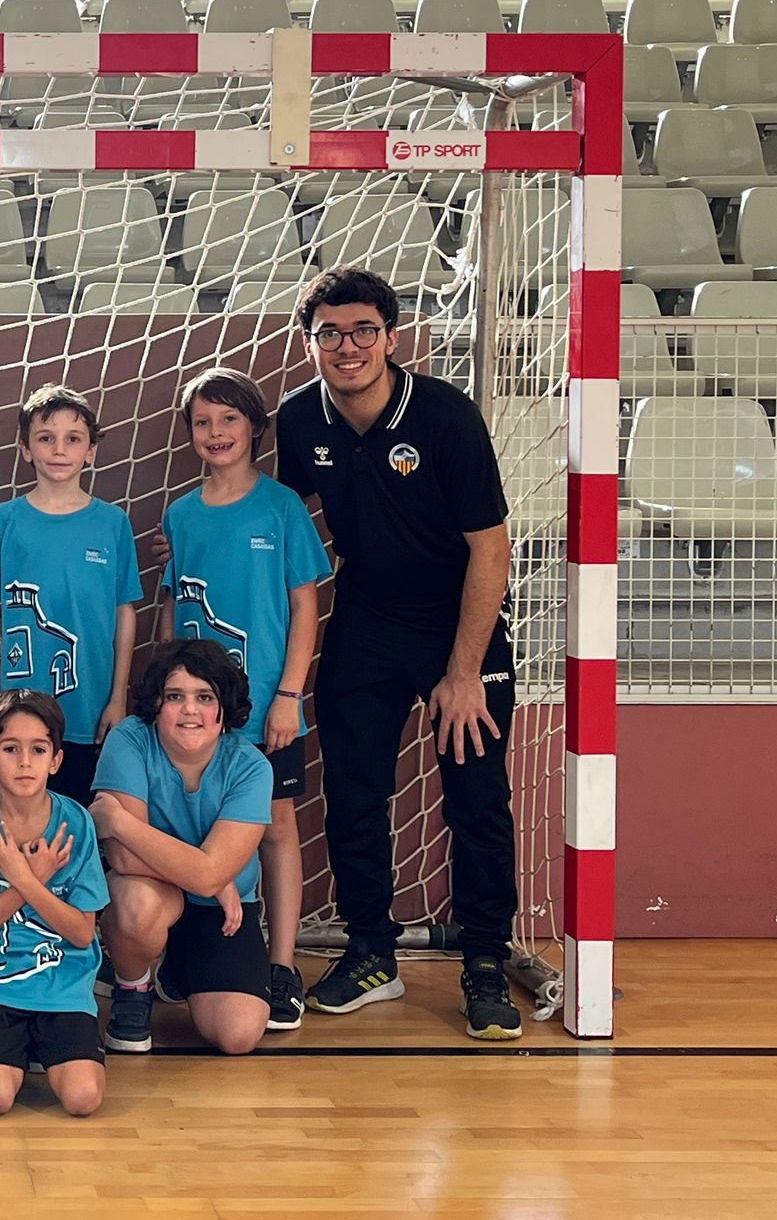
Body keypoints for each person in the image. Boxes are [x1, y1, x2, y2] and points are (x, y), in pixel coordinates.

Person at [274, 266, 523, 1040]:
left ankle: (484, 962)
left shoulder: (444, 416)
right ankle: (371, 953)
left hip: (458, 624)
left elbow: (492, 550)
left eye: (363, 331)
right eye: (329, 333)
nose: (346, 347)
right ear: (308, 339)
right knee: (352, 795)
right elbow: (277, 523)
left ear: (391, 335)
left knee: (476, 801)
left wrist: (462, 673)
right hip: (367, 619)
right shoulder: (298, 420)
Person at [154, 367, 330, 1031]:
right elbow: (174, 608)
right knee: (189, 828)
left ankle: (280, 966)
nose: (216, 432)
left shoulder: (282, 507)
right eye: (202, 422)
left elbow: (304, 605)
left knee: (275, 829)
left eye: (228, 419)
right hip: (194, 719)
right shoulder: (180, 512)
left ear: (254, 428)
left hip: (265, 710)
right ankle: (182, 955)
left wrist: (288, 695)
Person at [0, 384, 142, 805]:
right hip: (18, 709)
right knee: (20, 818)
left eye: (73, 439)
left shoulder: (112, 522)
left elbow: (125, 611)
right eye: (46, 438)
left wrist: (119, 695)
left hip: (90, 709)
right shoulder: (5, 520)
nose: (59, 449)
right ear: (26, 448)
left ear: (91, 450)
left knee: (82, 824)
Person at [91, 639, 272, 1058]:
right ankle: (133, 988)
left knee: (238, 1035)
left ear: (224, 708)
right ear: (156, 704)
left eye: (204, 697)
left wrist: (117, 820)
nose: (190, 710)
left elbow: (209, 874)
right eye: (176, 696)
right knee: (135, 900)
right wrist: (206, 874)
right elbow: (120, 857)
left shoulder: (251, 768)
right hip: (156, 893)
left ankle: (176, 970)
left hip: (222, 911)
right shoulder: (129, 741)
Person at [0, 690, 108, 1118]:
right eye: (11, 749)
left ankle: (49, 1049)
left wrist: (27, 880)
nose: (25, 762)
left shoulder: (76, 824)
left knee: (83, 1100)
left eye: (38, 749)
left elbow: (82, 932)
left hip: (63, 991)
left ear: (56, 760)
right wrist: (23, 880)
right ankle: (12, 1051)